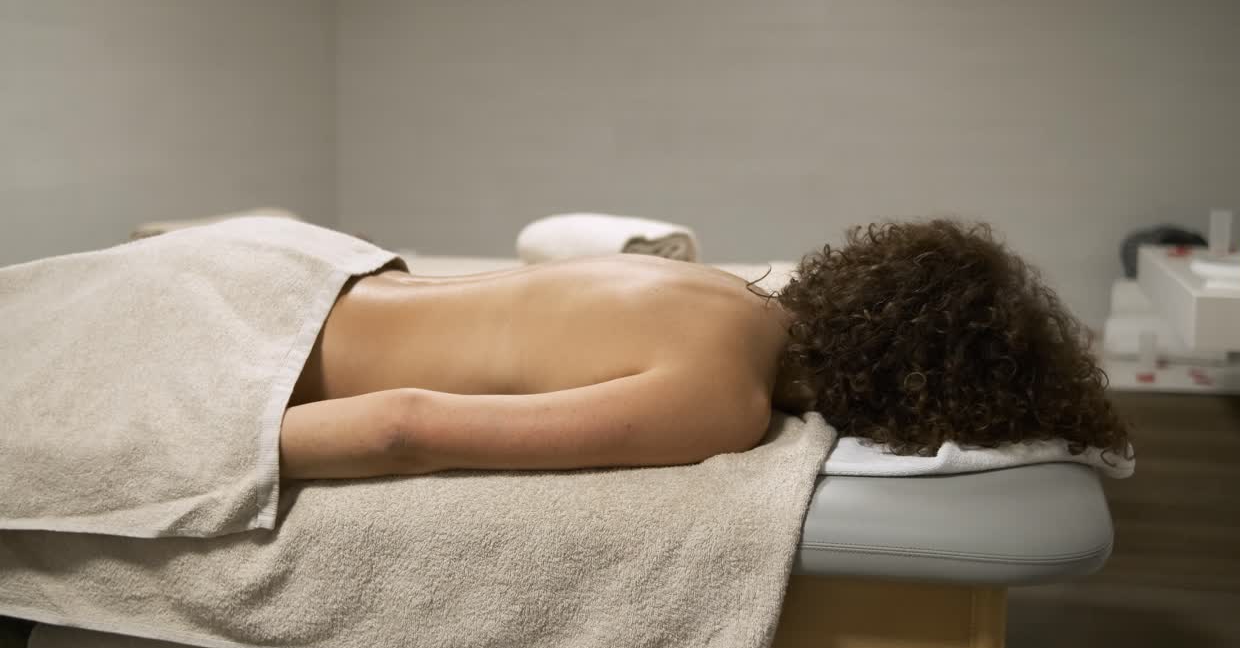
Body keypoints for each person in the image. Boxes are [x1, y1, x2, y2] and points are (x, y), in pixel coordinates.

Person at [280, 219, 1129, 479]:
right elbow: (404, 428)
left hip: (289, 270)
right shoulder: (721, 400)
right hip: (260, 348)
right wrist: (194, 458)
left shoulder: (725, 287)